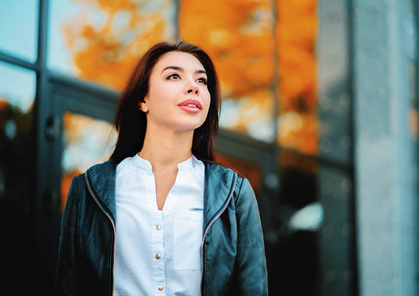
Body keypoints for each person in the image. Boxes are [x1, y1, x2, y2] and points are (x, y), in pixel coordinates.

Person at [55, 40, 268, 295]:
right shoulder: (88, 190)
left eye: (202, 81)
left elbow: (253, 289)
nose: (194, 87)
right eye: (174, 76)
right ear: (142, 100)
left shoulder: (234, 194)